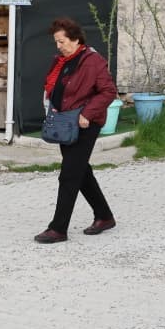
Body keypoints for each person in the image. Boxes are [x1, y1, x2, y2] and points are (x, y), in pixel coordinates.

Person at [35, 16, 118, 244]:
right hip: (65, 123)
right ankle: (104, 216)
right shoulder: (61, 61)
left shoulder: (92, 61)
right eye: (56, 42)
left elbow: (108, 91)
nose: (58, 46)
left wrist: (86, 114)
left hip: (84, 124)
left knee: (69, 174)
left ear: (75, 39)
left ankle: (58, 229)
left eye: (61, 41)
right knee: (81, 171)